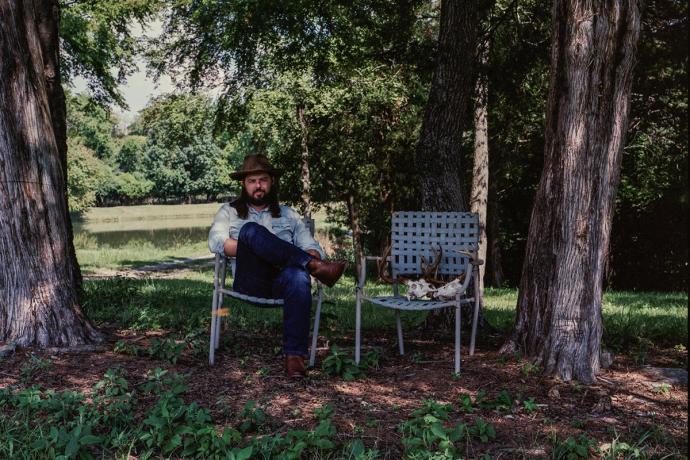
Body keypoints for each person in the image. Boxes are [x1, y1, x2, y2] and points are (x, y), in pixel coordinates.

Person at [208, 154, 346, 377]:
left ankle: (294, 359)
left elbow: (311, 246)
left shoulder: (288, 214)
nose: (258, 186)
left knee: (299, 277)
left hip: (283, 282)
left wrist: (305, 255)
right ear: (244, 184)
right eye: (252, 181)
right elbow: (216, 242)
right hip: (250, 279)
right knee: (250, 231)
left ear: (272, 181)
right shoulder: (229, 211)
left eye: (262, 180)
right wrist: (251, 245)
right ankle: (316, 268)